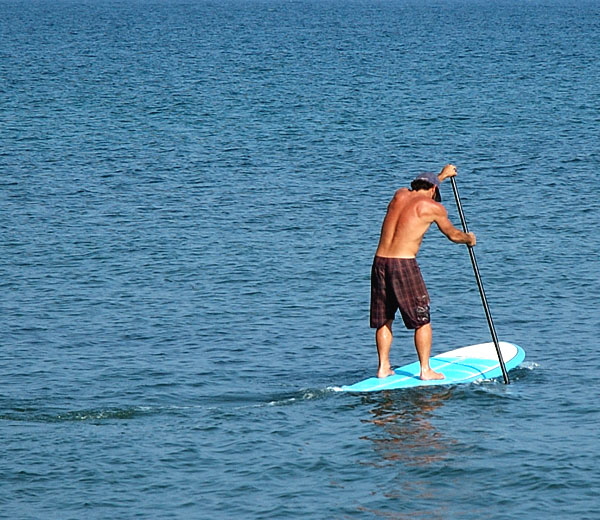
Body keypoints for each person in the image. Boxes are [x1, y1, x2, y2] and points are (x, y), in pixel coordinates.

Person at [370, 164, 476, 379]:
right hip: (404, 264)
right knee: (422, 319)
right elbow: (453, 235)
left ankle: (383, 368)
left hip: (380, 262)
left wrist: (442, 176)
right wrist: (469, 238)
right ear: (434, 191)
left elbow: (425, 186)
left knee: (384, 319)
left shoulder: (399, 194)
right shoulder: (433, 207)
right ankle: (425, 370)